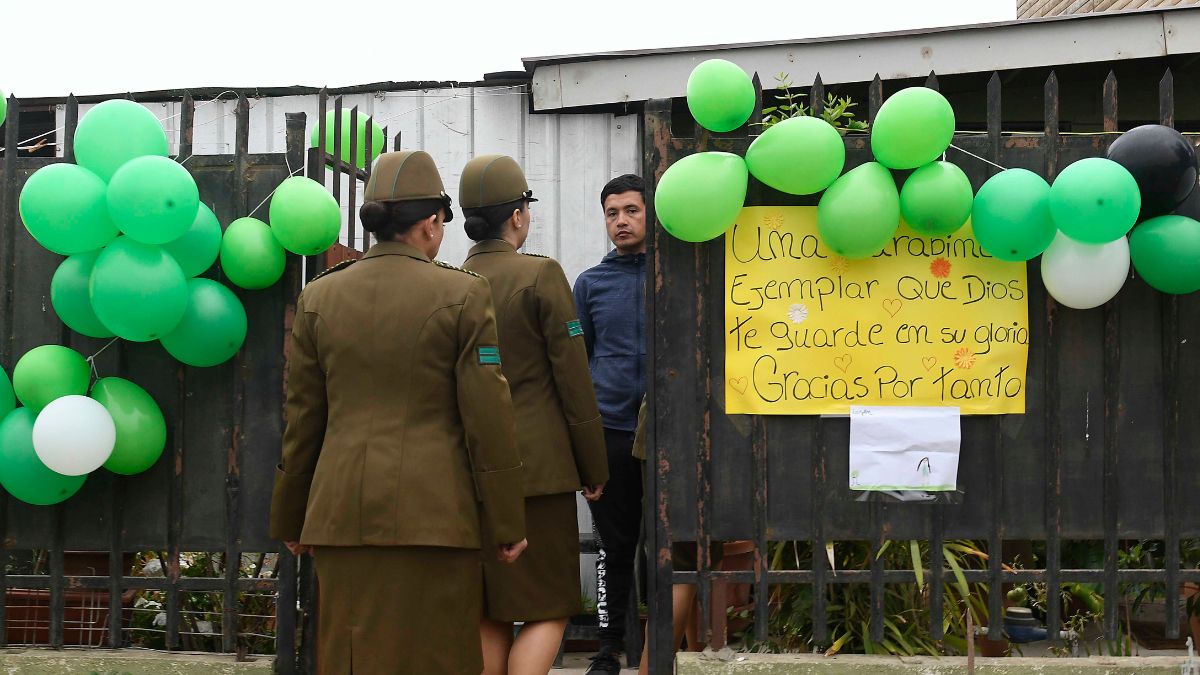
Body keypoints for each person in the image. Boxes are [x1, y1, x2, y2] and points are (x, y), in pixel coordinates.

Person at [269, 150, 528, 675]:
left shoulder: (318, 297)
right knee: (439, 657)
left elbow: (304, 419)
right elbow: (488, 415)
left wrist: (291, 515)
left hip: (341, 516)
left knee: (351, 656)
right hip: (437, 515)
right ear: (432, 223)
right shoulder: (463, 294)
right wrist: (505, 518)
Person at [459, 154, 610, 675]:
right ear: (518, 216)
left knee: (491, 606)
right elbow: (574, 380)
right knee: (549, 603)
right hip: (540, 473)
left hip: (472, 471)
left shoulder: (450, 281)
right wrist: (594, 467)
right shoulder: (541, 274)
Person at [572, 174, 648, 673]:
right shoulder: (590, 284)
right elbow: (578, 362)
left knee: (670, 545)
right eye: (611, 213)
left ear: (651, 214)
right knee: (614, 548)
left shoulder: (675, 273)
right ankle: (608, 648)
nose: (620, 221)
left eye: (631, 211)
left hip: (669, 435)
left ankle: (664, 643)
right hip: (611, 431)